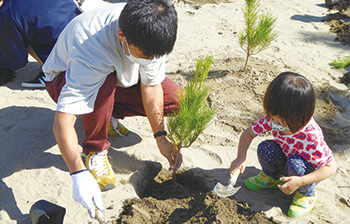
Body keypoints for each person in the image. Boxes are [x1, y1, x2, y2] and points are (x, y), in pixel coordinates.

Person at [42, 0, 182, 219]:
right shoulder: (91, 45)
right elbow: (63, 122)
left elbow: (152, 86)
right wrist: (78, 174)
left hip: (117, 77)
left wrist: (160, 136)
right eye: (145, 56)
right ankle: (94, 150)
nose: (151, 60)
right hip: (62, 79)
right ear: (121, 36)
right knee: (103, 84)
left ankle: (105, 115)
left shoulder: (153, 28)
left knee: (174, 98)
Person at [229, 72, 336, 218]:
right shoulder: (274, 118)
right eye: (272, 117)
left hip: (305, 171)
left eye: (278, 121)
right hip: (287, 158)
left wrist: (302, 181)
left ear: (299, 116)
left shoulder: (311, 136)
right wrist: (240, 157)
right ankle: (272, 177)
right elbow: (249, 133)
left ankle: (306, 194)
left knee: (295, 166)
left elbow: (330, 168)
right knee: (265, 148)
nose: (274, 123)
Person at [0, 0, 108, 88]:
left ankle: (54, 76)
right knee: (30, 25)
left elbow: (15, 60)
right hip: (92, 35)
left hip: (76, 56)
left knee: (22, 35)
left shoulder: (7, 13)